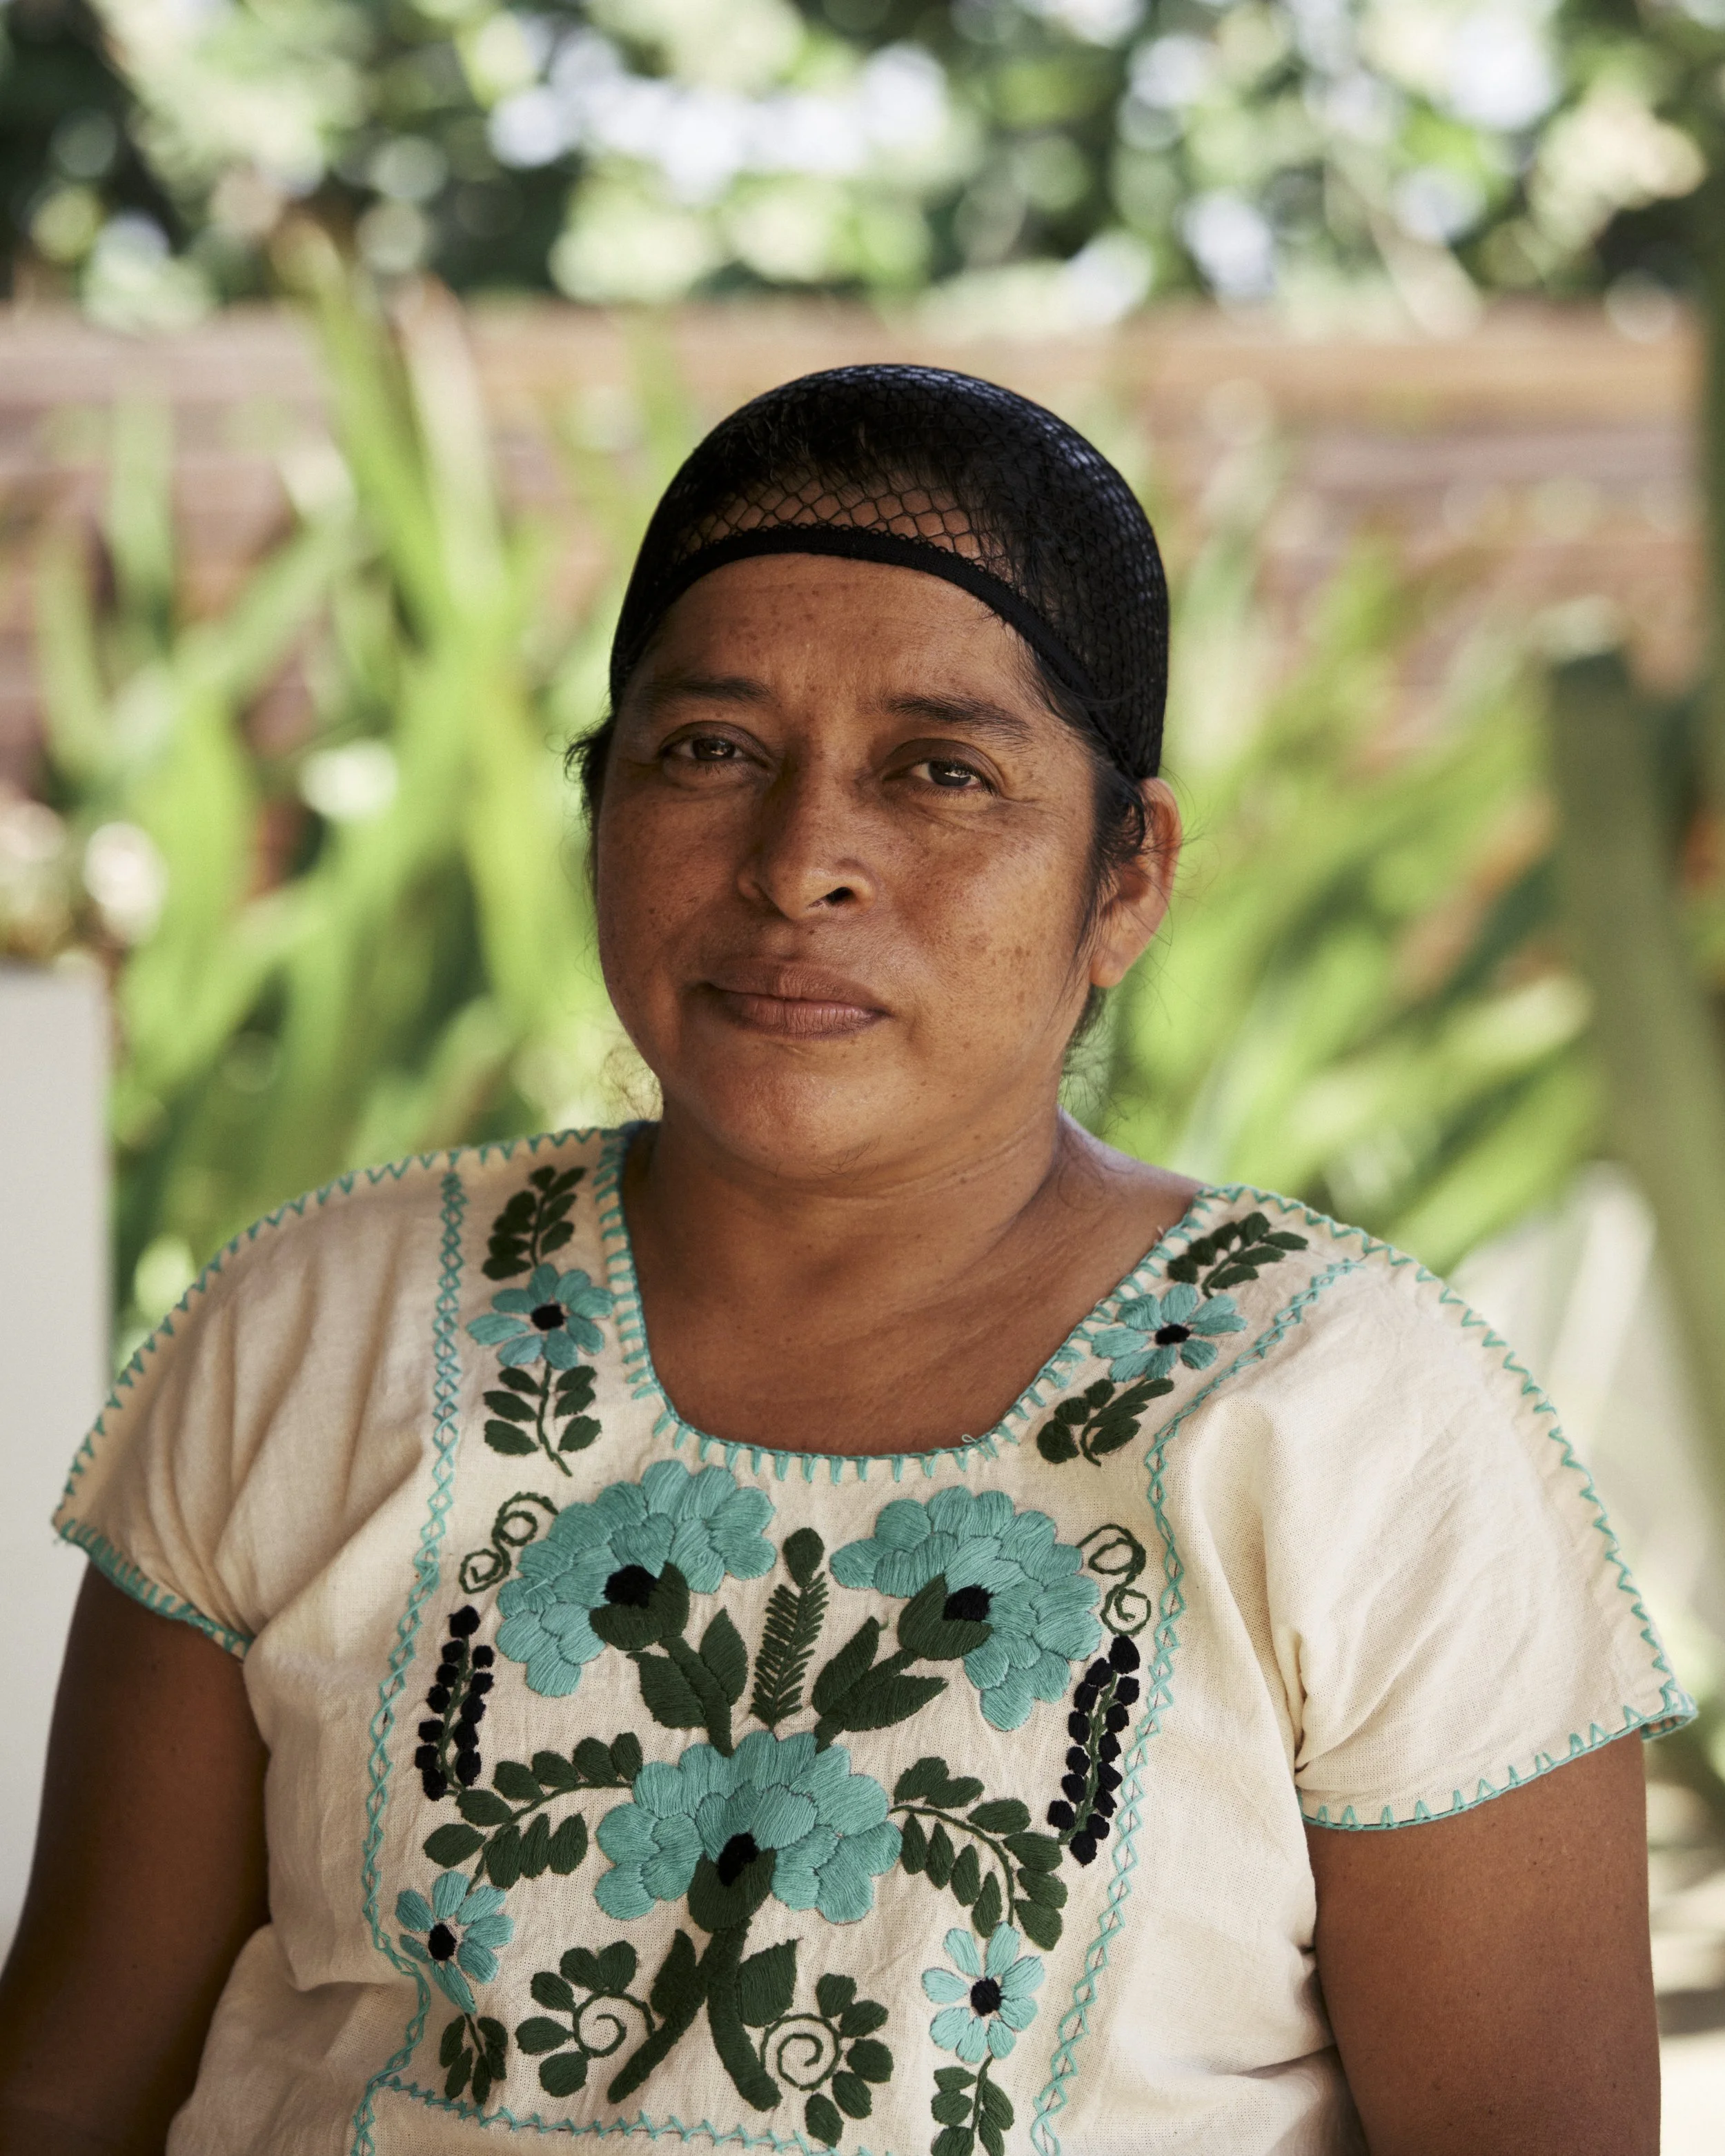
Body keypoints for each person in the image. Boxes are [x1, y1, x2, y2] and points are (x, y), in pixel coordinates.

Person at [0, 366, 1684, 2156]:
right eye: (709, 750)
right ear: (600, 809)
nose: (802, 860)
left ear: (1126, 874)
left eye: (941, 770)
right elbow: (64, 2088)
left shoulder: (1351, 1415)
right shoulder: (324, 1329)